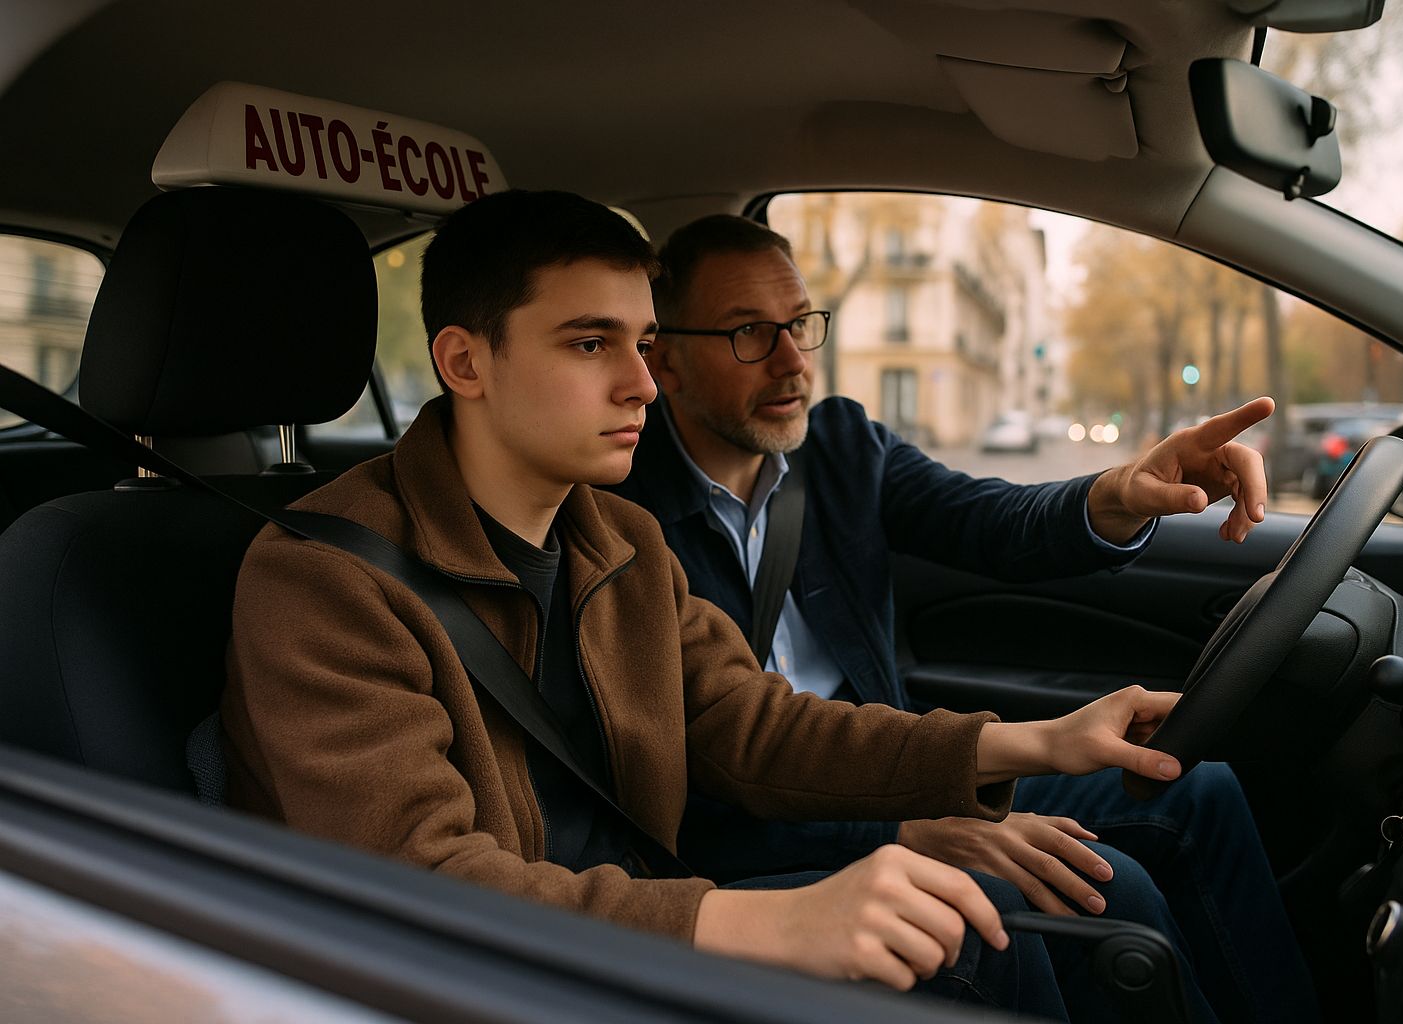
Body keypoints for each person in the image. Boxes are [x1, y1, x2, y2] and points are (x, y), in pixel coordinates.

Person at [220, 189, 1201, 1019]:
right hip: (498, 980)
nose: (642, 382)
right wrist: (762, 921)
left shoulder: (618, 538)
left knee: (968, 921)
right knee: (972, 935)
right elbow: (417, 885)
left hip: (632, 927)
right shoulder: (324, 577)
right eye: (590, 343)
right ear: (466, 362)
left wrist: (1037, 742)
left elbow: (757, 728)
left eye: (643, 344)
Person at [609, 213, 1321, 1024]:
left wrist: (1121, 493)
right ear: (664, 360)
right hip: (770, 826)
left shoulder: (839, 446)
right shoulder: (620, 514)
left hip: (897, 765)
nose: (792, 360)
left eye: (802, 324)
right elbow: (699, 779)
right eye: (748, 333)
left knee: (1198, 788)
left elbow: (992, 520)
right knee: (1104, 890)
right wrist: (899, 831)